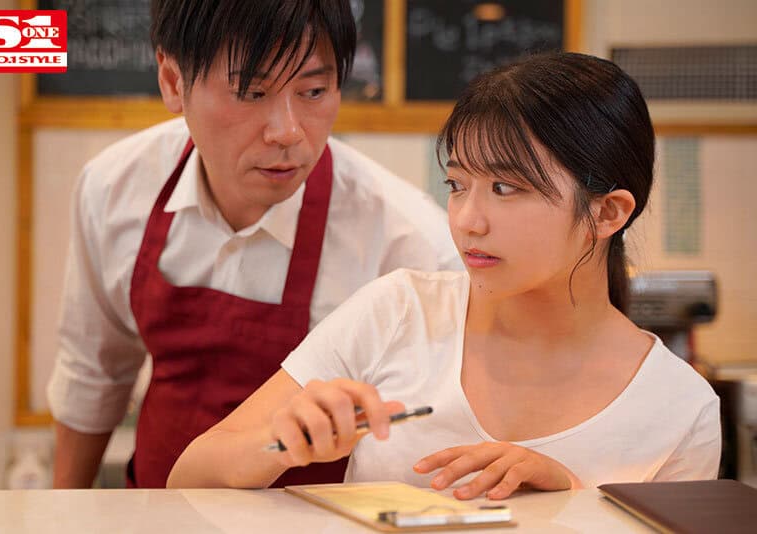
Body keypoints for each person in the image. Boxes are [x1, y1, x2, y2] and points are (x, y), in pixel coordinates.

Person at [166, 52, 722, 498]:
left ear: (607, 213)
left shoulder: (680, 409)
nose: (467, 220)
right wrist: (281, 444)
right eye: (457, 185)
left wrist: (574, 501)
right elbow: (188, 479)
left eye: (505, 188)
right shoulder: (398, 311)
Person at [47, 0, 461, 490]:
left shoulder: (411, 244)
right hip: (151, 511)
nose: (287, 132)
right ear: (173, 81)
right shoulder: (116, 187)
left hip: (317, 521)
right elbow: (93, 375)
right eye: (250, 91)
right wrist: (63, 513)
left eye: (313, 91)